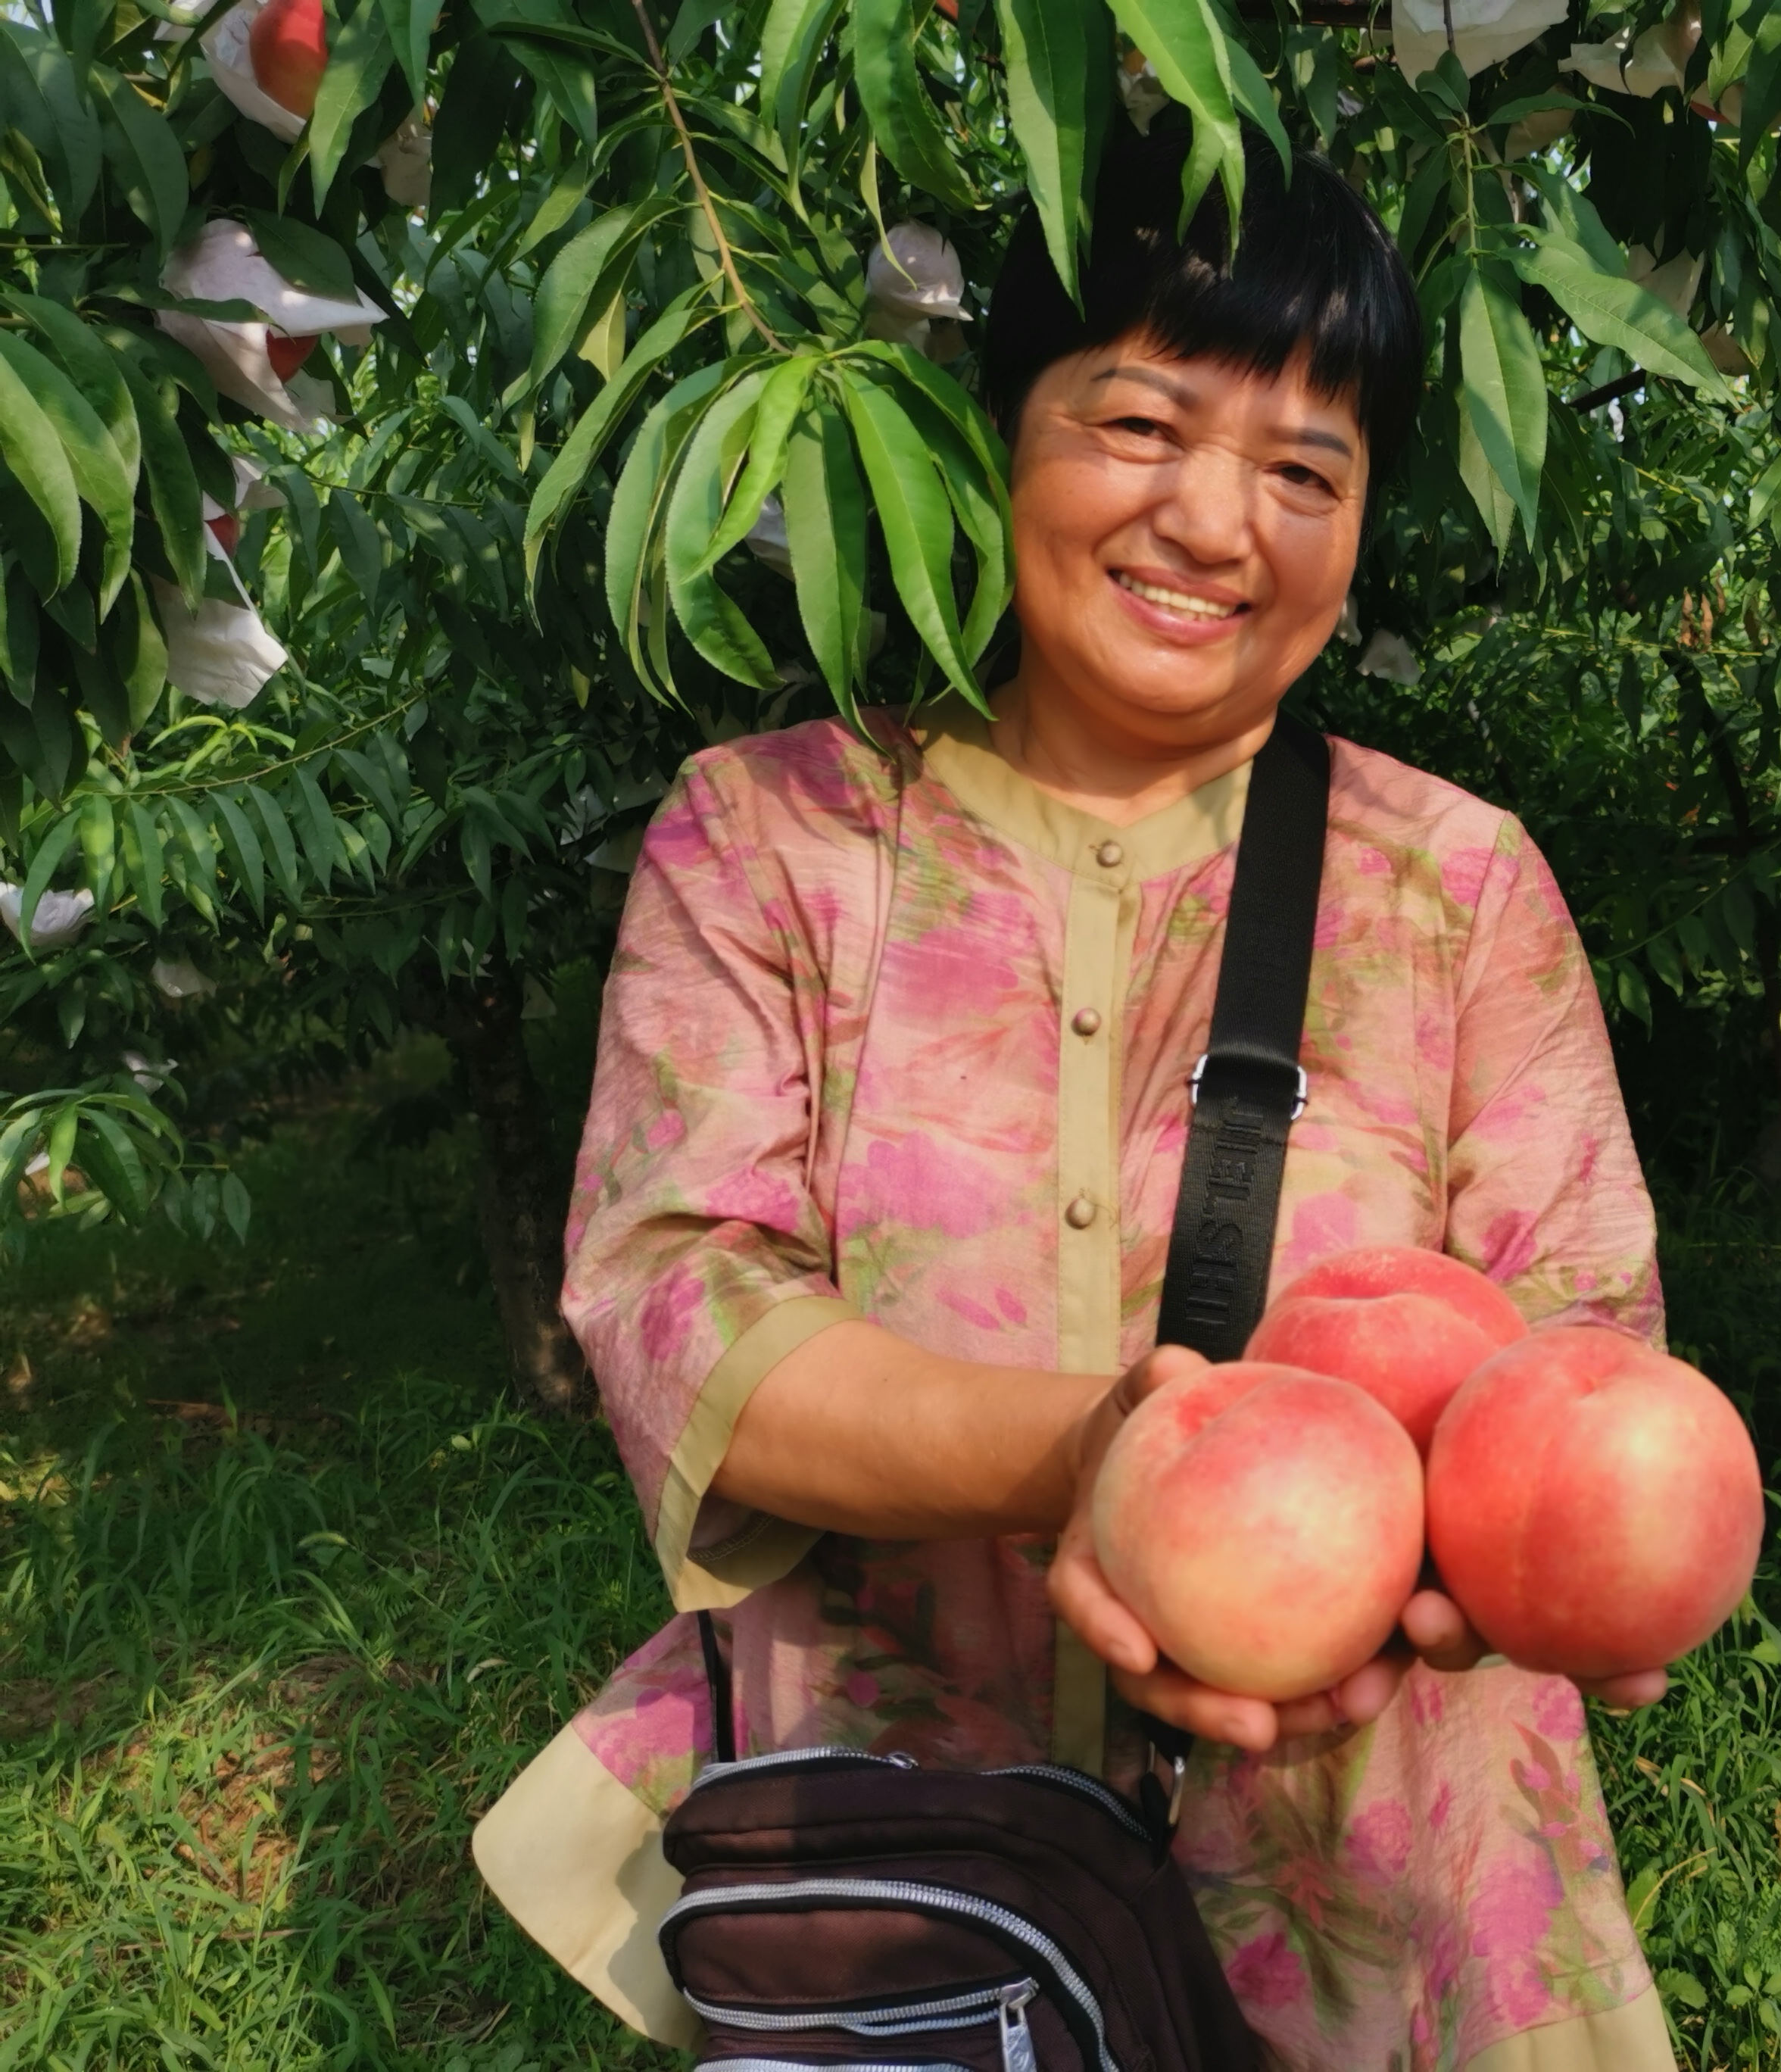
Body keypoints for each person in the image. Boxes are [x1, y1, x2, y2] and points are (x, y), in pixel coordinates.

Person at [475, 114, 1683, 2072]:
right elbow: (684, 1305)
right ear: (995, 437)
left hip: (1378, 1891)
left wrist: (1490, 1560)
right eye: (1139, 423)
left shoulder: (1453, 888)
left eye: (1305, 468)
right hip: (921, 1887)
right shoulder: (776, 842)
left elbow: (1582, 1361)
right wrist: (1096, 1456)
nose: (1216, 521)